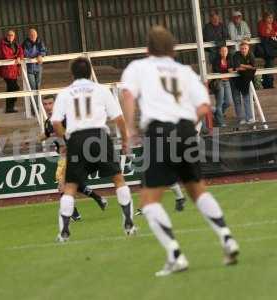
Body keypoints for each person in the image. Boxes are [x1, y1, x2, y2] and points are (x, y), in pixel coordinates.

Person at [122, 26, 239, 277]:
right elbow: (205, 106)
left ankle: (175, 255)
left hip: (159, 132)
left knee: (149, 200)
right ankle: (227, 238)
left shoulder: (139, 67)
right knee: (197, 190)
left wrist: (130, 129)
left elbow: (128, 95)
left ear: (147, 49)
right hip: (186, 130)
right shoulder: (185, 71)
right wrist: (185, 123)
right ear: (173, 49)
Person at [51, 57, 137, 242]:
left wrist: (66, 140)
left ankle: (64, 232)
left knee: (71, 186)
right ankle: (128, 223)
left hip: (76, 138)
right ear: (90, 71)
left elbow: (55, 123)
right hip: (99, 136)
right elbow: (119, 119)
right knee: (118, 179)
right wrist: (124, 141)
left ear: (72, 74)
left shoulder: (65, 93)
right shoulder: (101, 90)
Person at [40, 96, 108, 221]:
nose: (48, 106)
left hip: (71, 154)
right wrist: (33, 141)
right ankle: (98, 199)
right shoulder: (49, 121)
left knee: (61, 184)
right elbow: (47, 133)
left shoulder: (64, 118)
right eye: (45, 104)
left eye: (50, 103)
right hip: (64, 156)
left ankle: (74, 213)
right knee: (72, 183)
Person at [0, 30, 24, 113]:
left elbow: (21, 52)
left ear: (14, 36)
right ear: (6, 35)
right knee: (13, 87)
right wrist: (17, 57)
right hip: (7, 71)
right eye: (9, 35)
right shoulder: (2, 44)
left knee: (12, 88)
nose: (10, 36)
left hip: (14, 70)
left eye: (12, 35)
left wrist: (19, 57)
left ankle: (10, 107)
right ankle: (9, 107)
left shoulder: (16, 44)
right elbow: (6, 55)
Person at [232, 41, 256, 125]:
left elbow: (253, 67)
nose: (244, 50)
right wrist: (247, 67)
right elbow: (237, 68)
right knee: (237, 100)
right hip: (236, 80)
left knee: (246, 99)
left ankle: (249, 118)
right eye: (242, 48)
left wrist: (243, 65)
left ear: (248, 49)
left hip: (245, 80)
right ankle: (241, 119)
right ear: (239, 49)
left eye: (245, 48)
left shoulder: (251, 54)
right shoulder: (236, 55)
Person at [211, 45, 234, 127]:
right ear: (220, 52)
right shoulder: (216, 60)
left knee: (229, 102)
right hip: (219, 82)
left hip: (227, 82)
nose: (224, 52)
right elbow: (217, 72)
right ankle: (221, 122)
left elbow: (231, 71)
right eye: (223, 51)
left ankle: (217, 114)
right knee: (219, 103)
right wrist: (227, 72)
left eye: (226, 51)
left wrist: (227, 72)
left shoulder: (229, 59)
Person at [257, 12, 277, 89]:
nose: (270, 19)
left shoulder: (274, 23)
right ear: (265, 18)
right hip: (265, 48)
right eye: (268, 17)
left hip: (272, 48)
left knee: (269, 63)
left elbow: (273, 33)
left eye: (271, 17)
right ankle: (268, 84)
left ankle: (268, 84)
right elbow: (263, 33)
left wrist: (271, 33)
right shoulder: (261, 23)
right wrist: (273, 34)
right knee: (269, 63)